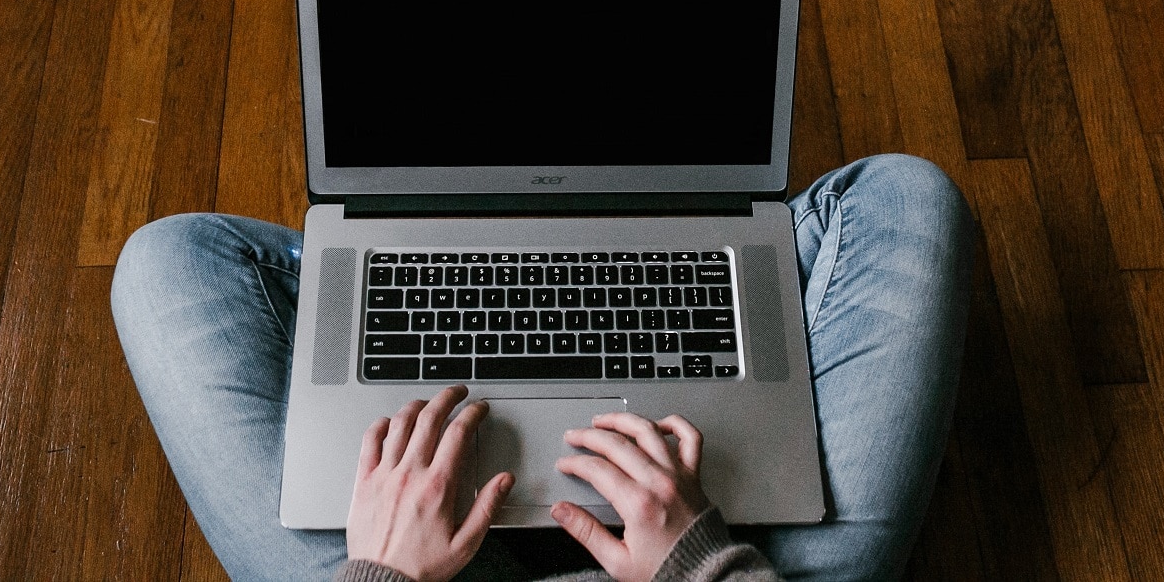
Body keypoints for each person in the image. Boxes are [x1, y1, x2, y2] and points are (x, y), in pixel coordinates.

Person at [113, 154, 973, 581]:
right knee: (905, 193)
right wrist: (702, 563)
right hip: (721, 562)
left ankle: (404, 253)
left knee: (166, 262)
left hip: (414, 573)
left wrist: (381, 573)